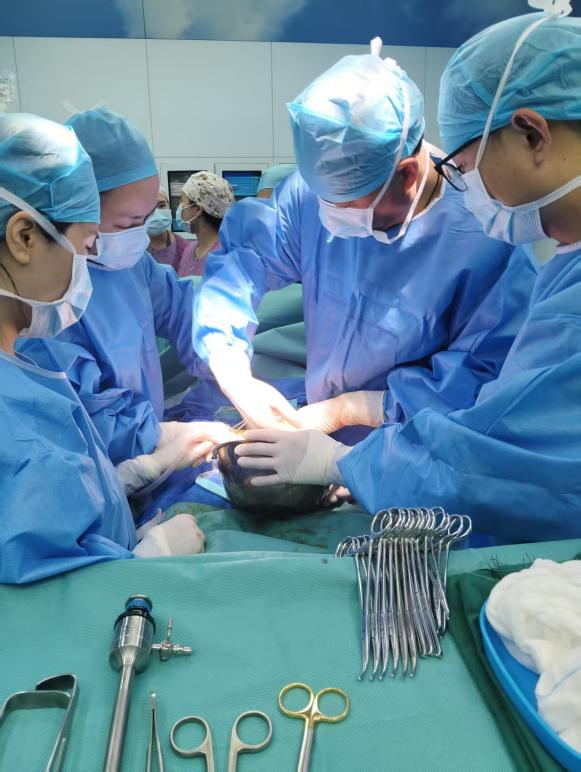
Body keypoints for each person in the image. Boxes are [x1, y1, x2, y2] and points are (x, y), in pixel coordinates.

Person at [236, 6, 581, 545]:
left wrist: (346, 460)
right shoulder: (567, 268)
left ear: (533, 135)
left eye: (463, 167)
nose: (465, 183)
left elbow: (500, 468)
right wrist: (230, 363)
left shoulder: (498, 254)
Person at [192, 39, 537, 432]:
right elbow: (242, 263)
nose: (328, 215)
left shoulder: (488, 240)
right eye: (322, 198)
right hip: (316, 431)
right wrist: (230, 364)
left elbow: (482, 379)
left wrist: (353, 409)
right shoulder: (311, 195)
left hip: (410, 444)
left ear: (407, 175)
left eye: (345, 204)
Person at [0, 113, 226, 584]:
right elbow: (48, 593)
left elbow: (182, 310)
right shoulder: (26, 380)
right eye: (87, 243)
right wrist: (149, 560)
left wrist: (122, 480)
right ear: (23, 237)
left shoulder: (23, 372)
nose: (89, 260)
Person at [19, 107, 217, 466]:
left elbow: (183, 312)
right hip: (97, 468)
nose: (140, 234)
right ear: (81, 207)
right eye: (128, 222)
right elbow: (76, 418)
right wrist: (155, 437)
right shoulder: (44, 292)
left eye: (148, 217)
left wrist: (224, 356)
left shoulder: (134, 265)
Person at [173, 171, 235, 276]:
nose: (180, 207)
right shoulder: (190, 250)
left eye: (182, 201)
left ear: (198, 209)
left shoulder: (225, 258)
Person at [147, 188, 196, 276]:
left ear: (169, 206)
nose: (157, 213)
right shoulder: (132, 250)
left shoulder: (184, 249)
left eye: (162, 206)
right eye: (149, 208)